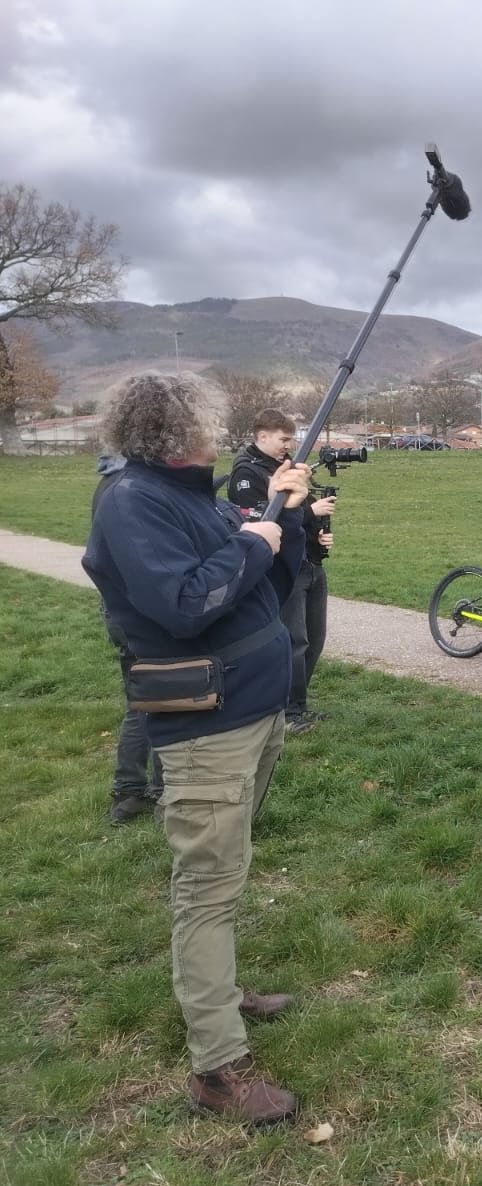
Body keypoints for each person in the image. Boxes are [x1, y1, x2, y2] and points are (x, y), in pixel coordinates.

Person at [82, 374, 308, 1125]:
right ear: (177, 433)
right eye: (208, 422)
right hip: (208, 728)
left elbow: (265, 586)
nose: (218, 433)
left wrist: (282, 519)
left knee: (228, 866)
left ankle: (221, 992)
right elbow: (185, 604)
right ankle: (216, 1068)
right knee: (207, 887)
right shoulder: (132, 503)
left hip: (252, 711)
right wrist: (250, 540)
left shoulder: (192, 496)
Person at [228, 409, 334, 735]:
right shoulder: (246, 474)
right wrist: (310, 511)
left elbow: (297, 515)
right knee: (294, 641)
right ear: (262, 436)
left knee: (314, 639)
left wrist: (317, 534)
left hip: (310, 562)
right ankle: (286, 713)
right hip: (283, 567)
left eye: (291, 439)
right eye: (283, 439)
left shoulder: (286, 468)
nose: (289, 445)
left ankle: (299, 704)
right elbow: (258, 518)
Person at [94, 452, 166, 823]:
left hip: (120, 610)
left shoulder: (112, 483)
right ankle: (157, 790)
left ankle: (129, 790)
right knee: (167, 698)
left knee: (140, 702)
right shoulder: (135, 489)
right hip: (143, 614)